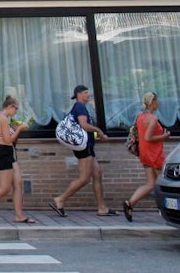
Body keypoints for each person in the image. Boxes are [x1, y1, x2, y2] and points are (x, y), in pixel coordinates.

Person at [49, 85, 117, 217]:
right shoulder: (79, 106)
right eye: (86, 92)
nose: (88, 95)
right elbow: (84, 125)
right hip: (84, 147)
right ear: (79, 94)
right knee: (84, 178)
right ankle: (60, 199)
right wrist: (99, 131)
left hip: (88, 146)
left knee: (97, 173)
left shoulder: (81, 107)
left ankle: (102, 208)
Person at [123, 92, 171, 222]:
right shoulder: (152, 119)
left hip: (144, 154)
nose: (158, 103)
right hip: (154, 154)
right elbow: (148, 137)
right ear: (153, 102)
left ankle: (130, 203)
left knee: (150, 184)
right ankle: (167, 208)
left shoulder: (140, 117)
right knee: (165, 182)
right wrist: (164, 136)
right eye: (157, 101)